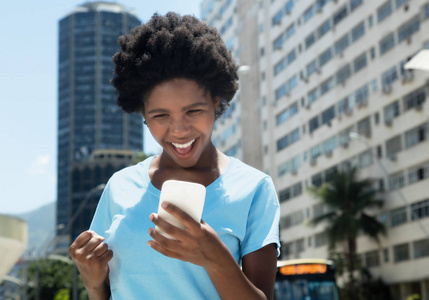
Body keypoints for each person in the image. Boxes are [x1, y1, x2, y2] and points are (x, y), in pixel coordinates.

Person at [69, 12, 280, 300]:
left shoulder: (254, 188)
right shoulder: (119, 185)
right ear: (143, 115)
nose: (179, 130)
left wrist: (215, 258)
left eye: (193, 111)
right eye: (160, 115)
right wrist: (93, 283)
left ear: (215, 104)